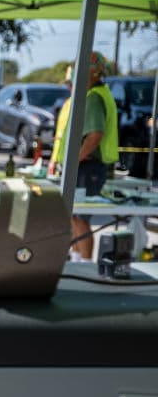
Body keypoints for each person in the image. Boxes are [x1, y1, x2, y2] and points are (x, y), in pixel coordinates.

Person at [50, 52, 119, 260]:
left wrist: (75, 160)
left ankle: (85, 263)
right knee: (75, 216)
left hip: (88, 168)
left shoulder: (93, 97)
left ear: (93, 72)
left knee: (80, 218)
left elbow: (95, 135)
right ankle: (78, 259)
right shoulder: (94, 95)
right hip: (87, 167)